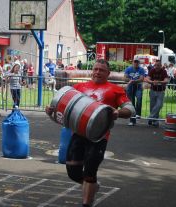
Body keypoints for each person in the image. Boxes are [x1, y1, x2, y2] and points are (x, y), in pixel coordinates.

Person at [46, 59, 135, 207]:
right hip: (78, 134)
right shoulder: (79, 87)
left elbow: (130, 110)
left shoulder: (115, 89)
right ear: (92, 71)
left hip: (99, 136)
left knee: (89, 172)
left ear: (108, 73)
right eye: (96, 69)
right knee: (73, 172)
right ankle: (93, 185)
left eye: (101, 70)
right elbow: (63, 111)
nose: (98, 72)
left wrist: (118, 112)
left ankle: (87, 201)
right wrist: (51, 112)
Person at [145, 60, 169, 127]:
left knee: (159, 105)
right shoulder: (152, 70)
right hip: (153, 90)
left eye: (158, 65)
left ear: (161, 66)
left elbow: (166, 80)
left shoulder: (164, 71)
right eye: (156, 65)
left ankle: (150, 117)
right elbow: (147, 79)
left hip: (161, 91)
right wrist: (152, 82)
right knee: (152, 106)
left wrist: (159, 82)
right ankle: (155, 121)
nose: (157, 66)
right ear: (154, 65)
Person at [124, 59, 145, 126]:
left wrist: (133, 81)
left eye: (137, 63)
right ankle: (132, 120)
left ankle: (138, 114)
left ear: (138, 63)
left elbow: (142, 79)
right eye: (134, 62)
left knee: (139, 99)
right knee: (131, 104)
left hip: (138, 87)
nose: (136, 64)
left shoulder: (141, 69)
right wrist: (131, 80)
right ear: (132, 63)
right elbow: (125, 78)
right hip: (130, 88)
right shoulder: (128, 69)